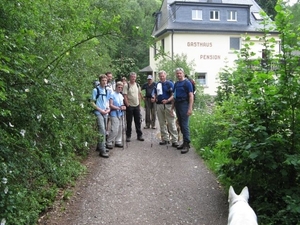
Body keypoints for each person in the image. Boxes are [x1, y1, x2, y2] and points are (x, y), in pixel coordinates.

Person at [153, 70, 179, 147]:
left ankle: (174, 140)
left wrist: (167, 100)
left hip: (168, 105)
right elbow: (155, 93)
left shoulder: (170, 83)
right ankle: (165, 139)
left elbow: (173, 95)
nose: (161, 77)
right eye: (160, 76)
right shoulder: (157, 84)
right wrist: (154, 98)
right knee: (162, 123)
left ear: (165, 75)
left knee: (171, 122)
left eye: (163, 76)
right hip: (159, 105)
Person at [171, 68, 194, 154]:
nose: (179, 75)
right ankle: (184, 142)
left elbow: (191, 96)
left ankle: (187, 144)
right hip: (178, 104)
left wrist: (190, 108)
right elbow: (174, 96)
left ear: (183, 73)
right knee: (180, 124)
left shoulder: (187, 83)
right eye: (177, 74)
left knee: (184, 125)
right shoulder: (176, 84)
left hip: (184, 104)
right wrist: (172, 108)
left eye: (180, 73)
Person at [91, 74, 111, 158]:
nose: (104, 82)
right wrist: (100, 110)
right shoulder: (95, 90)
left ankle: (100, 146)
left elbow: (107, 102)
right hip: (98, 112)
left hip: (105, 112)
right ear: (100, 81)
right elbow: (92, 103)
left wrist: (108, 109)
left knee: (104, 129)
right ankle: (102, 150)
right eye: (103, 80)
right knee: (102, 130)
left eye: (105, 80)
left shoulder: (107, 90)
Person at [123, 72, 144, 142]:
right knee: (129, 122)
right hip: (130, 106)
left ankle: (139, 135)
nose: (133, 78)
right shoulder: (126, 85)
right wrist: (127, 104)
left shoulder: (137, 85)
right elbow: (125, 95)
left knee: (138, 121)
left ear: (136, 77)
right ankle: (128, 136)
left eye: (134, 77)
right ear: (130, 77)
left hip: (136, 105)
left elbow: (139, 95)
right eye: (132, 77)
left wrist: (139, 105)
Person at [106, 81, 126, 149]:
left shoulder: (121, 95)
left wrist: (123, 107)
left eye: (121, 87)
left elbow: (122, 104)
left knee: (120, 128)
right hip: (114, 113)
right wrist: (118, 107)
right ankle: (109, 141)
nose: (120, 88)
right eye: (119, 87)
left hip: (120, 113)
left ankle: (118, 141)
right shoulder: (112, 94)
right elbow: (110, 105)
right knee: (114, 129)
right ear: (116, 87)